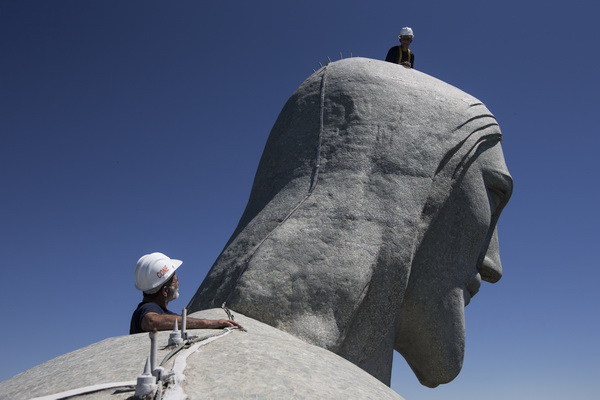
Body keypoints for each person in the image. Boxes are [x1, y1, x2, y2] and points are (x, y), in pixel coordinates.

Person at [130, 252, 243, 334]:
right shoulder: (148, 308)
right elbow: (151, 321)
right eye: (176, 280)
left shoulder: (158, 311)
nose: (178, 284)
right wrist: (211, 323)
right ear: (165, 291)